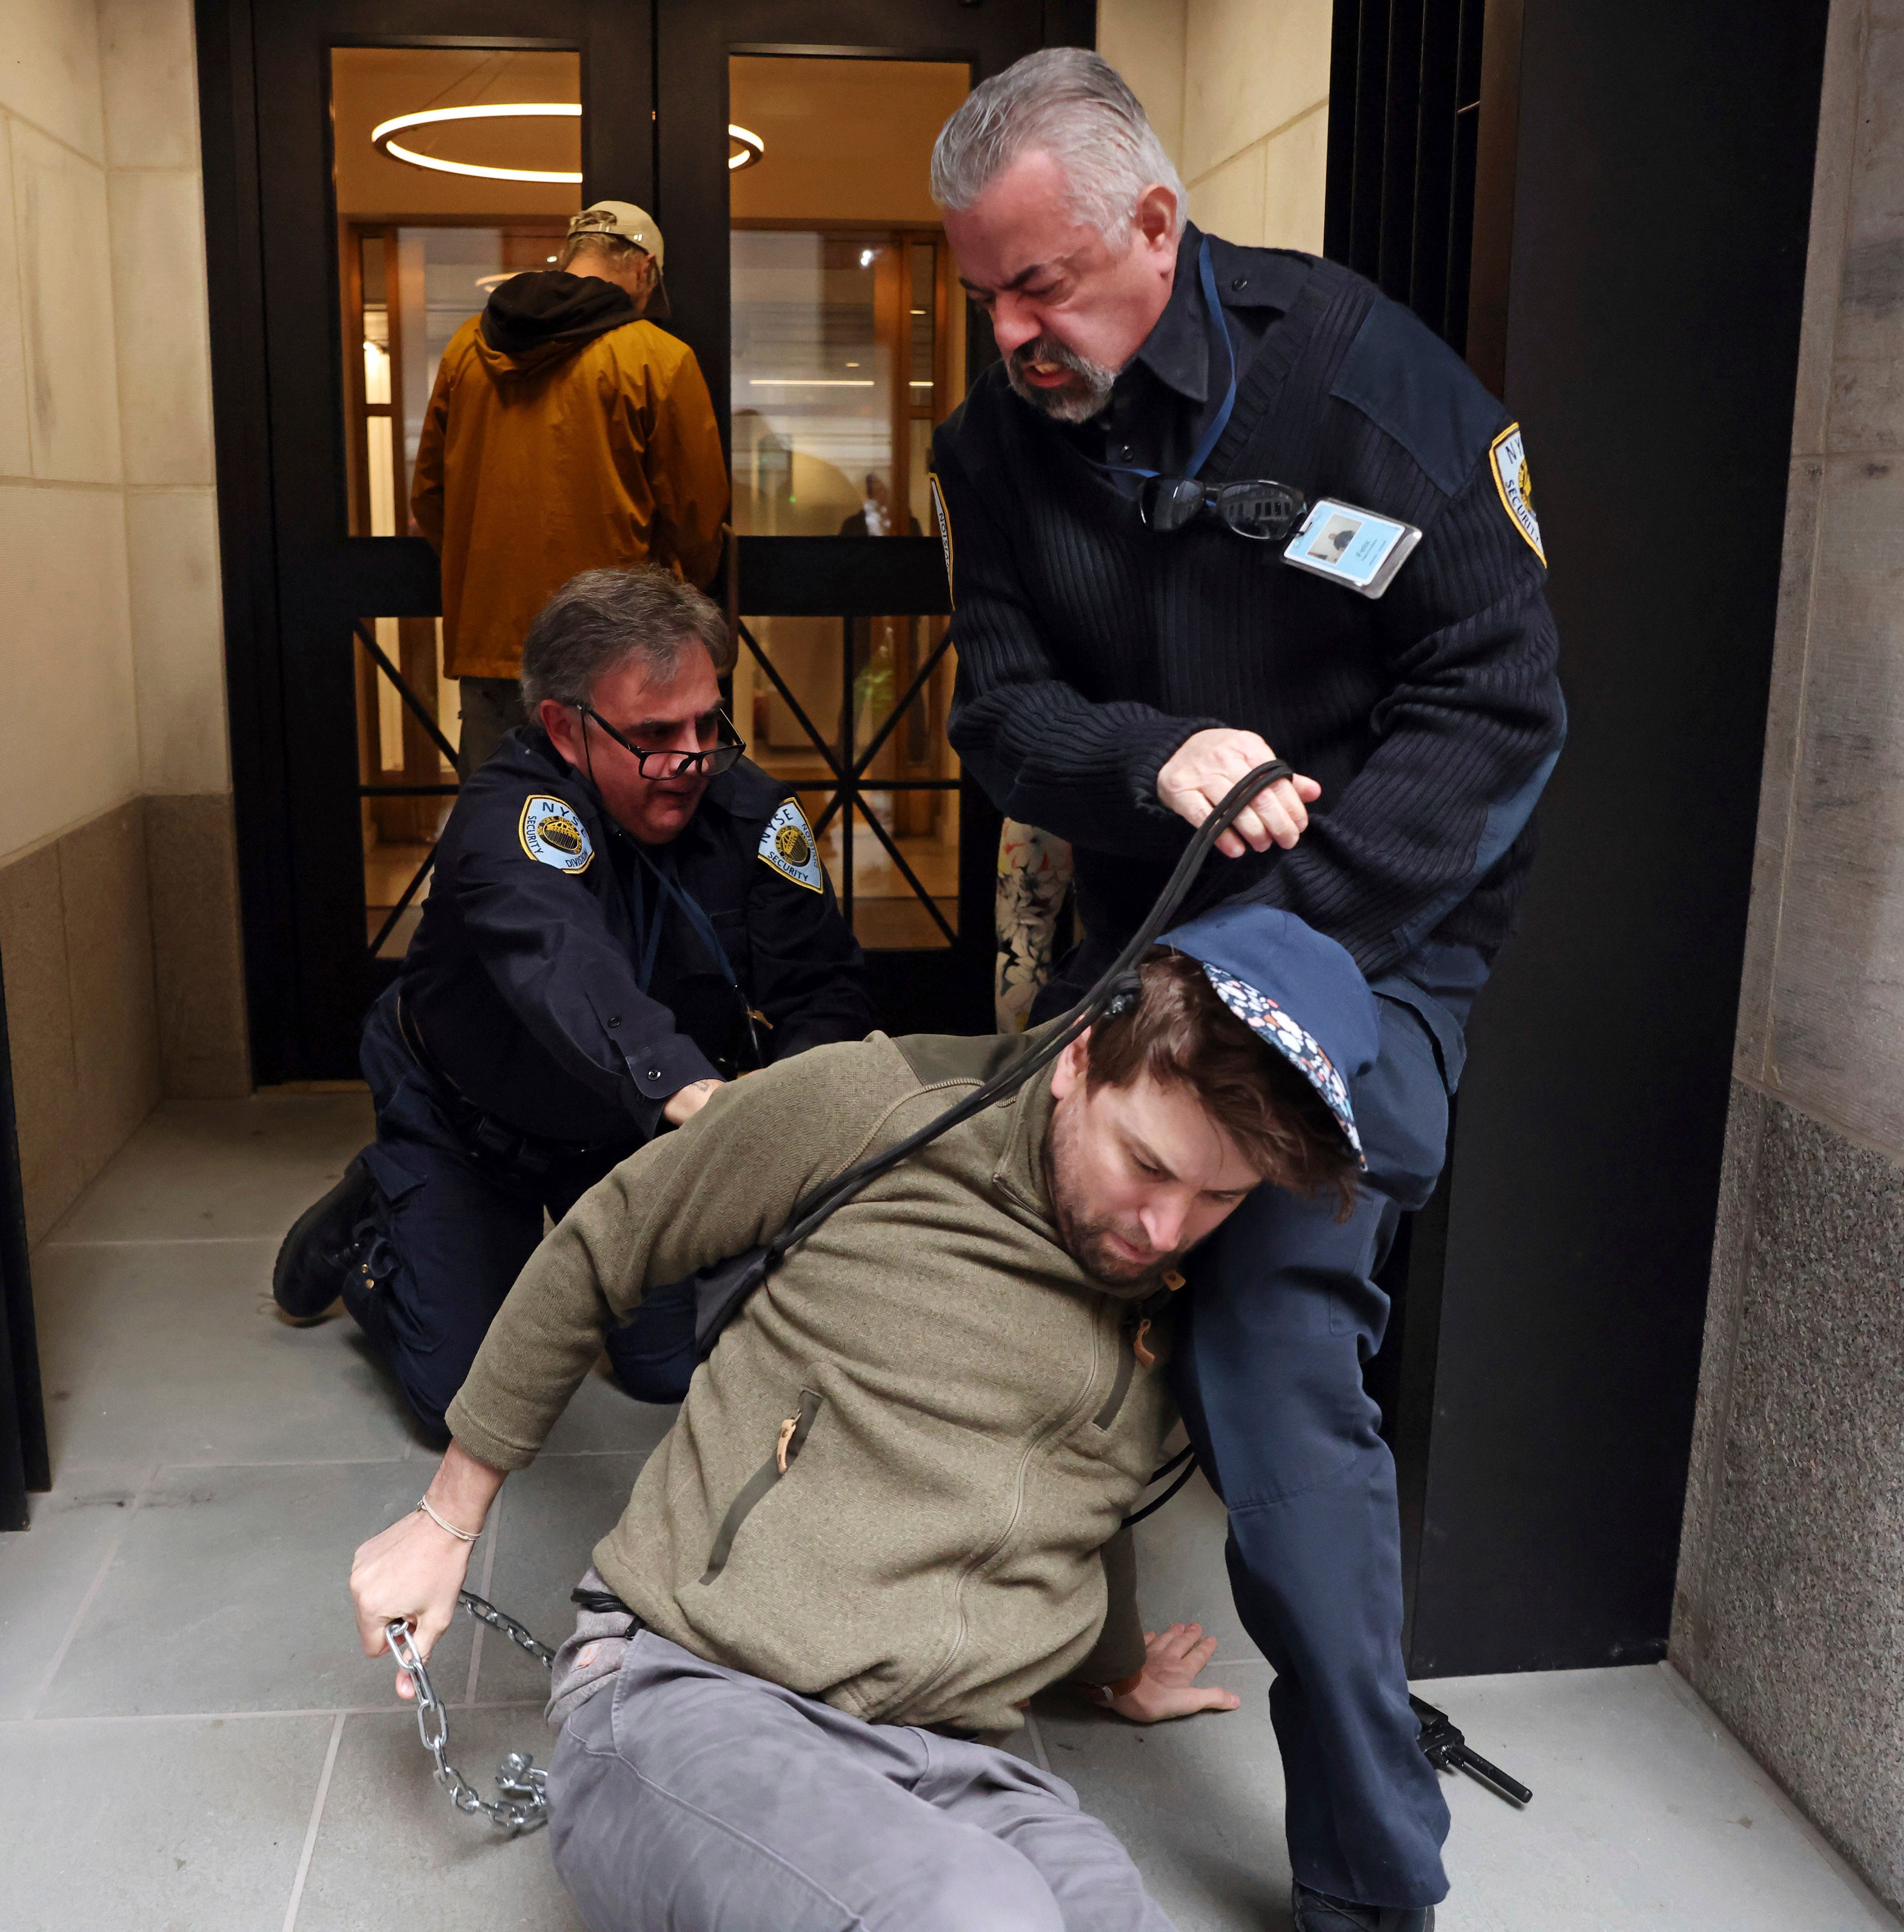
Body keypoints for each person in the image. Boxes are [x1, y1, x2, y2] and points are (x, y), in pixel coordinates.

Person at [924, 49, 1569, 1932]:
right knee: (1007, 1257)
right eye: (982, 290)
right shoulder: (993, 446)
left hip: (1378, 926)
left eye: (1039, 283)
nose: (1010, 329)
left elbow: (1503, 690)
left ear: (1153, 221)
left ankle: (1374, 1884)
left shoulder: (1362, 380)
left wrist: (1292, 931)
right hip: (1152, 923)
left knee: (1279, 1347)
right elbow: (998, 713)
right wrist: (1151, 758)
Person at [347, 908, 1374, 1932]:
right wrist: (447, 1518)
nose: (1164, 1228)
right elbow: (605, 1243)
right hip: (697, 1699)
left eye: (1219, 1197)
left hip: (959, 1764)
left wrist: (1117, 1670)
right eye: (1146, 1166)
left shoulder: (1166, 1278)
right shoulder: (875, 1107)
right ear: (1081, 1057)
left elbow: (1069, 1486)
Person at [271, 566, 871, 1431]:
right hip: (472, 1114)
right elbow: (565, 965)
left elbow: (823, 987)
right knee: (464, 1403)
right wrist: (688, 1089)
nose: (692, 760)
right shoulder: (507, 818)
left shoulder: (750, 816)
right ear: (563, 727)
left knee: (666, 1371)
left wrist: (790, 1107)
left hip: (629, 1136)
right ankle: (379, 1223)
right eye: (656, 733)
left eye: (710, 723)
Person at [413, 201, 729, 772]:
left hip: (491, 654)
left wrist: (485, 577)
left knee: (502, 835)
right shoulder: (657, 359)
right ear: (644, 269)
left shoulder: (466, 350)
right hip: (615, 658)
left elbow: (430, 497)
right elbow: (695, 522)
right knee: (608, 841)